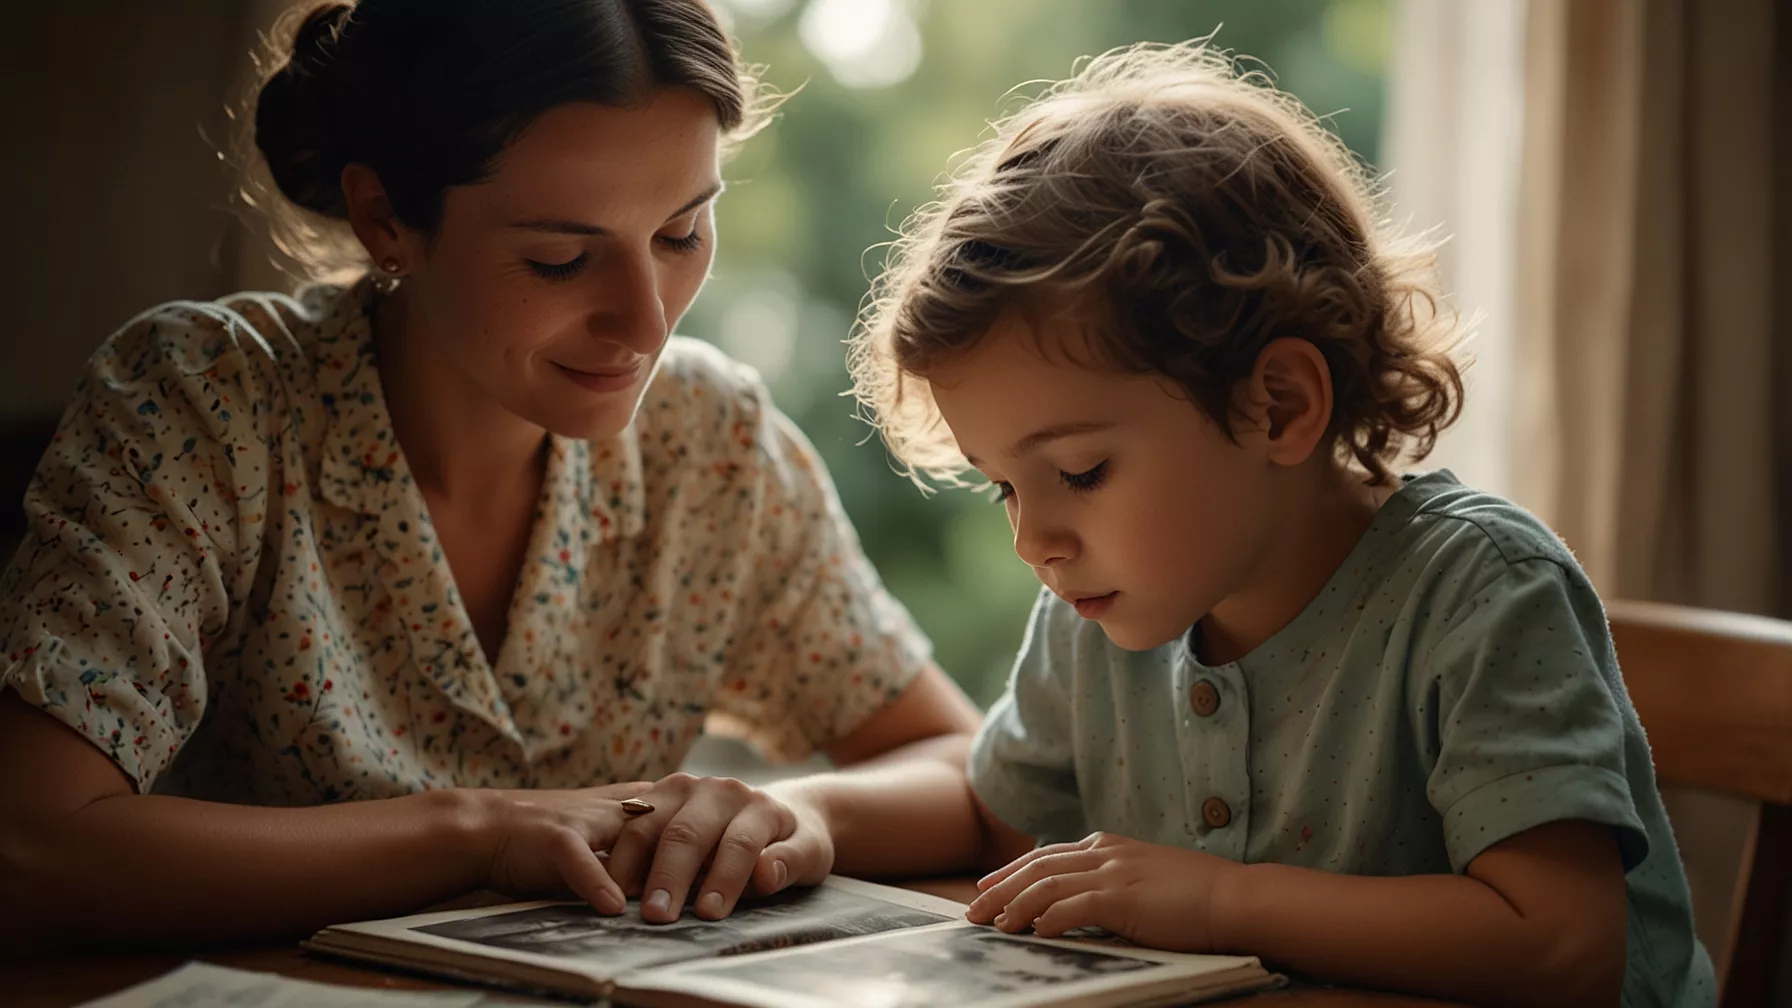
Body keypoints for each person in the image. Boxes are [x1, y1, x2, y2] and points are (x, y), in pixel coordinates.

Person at [0, 0, 981, 954]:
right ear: (385, 219)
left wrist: (768, 816)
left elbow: (966, 768)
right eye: (561, 259)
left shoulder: (709, 439)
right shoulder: (204, 404)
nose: (646, 324)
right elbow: (32, 844)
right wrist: (476, 833)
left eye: (681, 235)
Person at [841, 41, 1713, 1008]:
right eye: (1004, 487)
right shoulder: (1098, 610)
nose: (1032, 539)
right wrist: (788, 819)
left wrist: (1221, 901)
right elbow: (990, 812)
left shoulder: (1479, 590)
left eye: (1079, 472)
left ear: (1280, 406)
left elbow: (1560, 945)